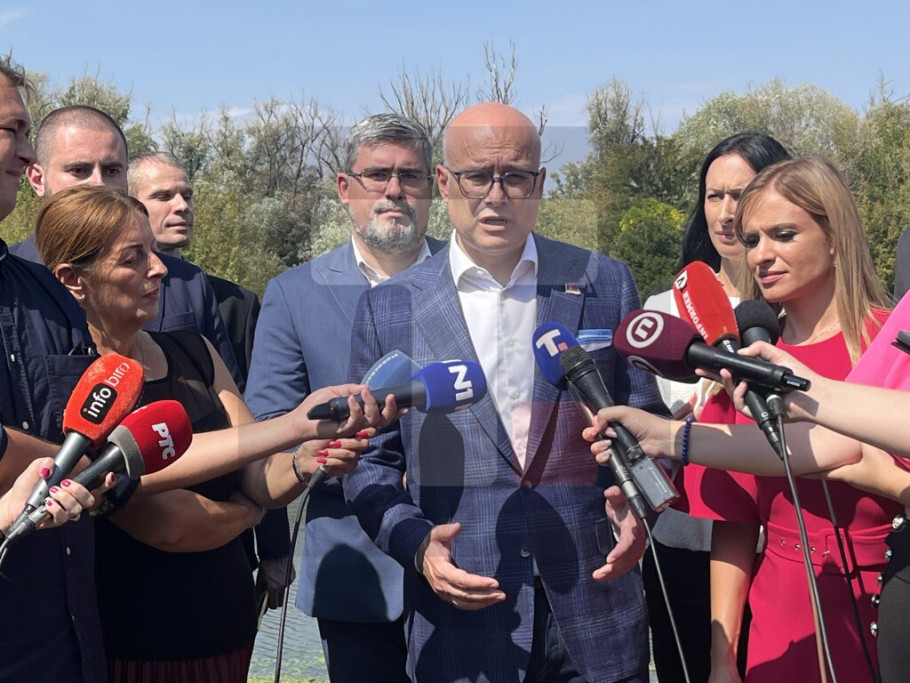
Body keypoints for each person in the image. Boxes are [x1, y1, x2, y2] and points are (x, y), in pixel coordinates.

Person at [343, 102, 667, 683]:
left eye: (514, 177)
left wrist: (639, 504)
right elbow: (369, 462)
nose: (496, 196)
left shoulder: (604, 281)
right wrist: (417, 544)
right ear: (444, 182)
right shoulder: (388, 306)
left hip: (597, 606)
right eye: (476, 177)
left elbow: (648, 422)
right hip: (463, 616)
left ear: (539, 184)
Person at [34, 183, 393, 682]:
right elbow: (171, 524)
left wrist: (302, 461)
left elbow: (259, 476)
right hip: (137, 645)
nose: (158, 269)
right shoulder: (83, 391)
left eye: (153, 251)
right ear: (75, 279)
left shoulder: (196, 351)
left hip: (227, 627)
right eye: (132, 259)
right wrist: (252, 506)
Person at [597, 157, 895, 682]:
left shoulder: (893, 345)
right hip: (780, 612)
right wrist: (722, 659)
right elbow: (734, 524)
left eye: (783, 234)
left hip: (888, 600)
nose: (761, 255)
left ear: (835, 237)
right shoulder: (741, 364)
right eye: (753, 240)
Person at [245, 113, 443, 682]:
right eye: (377, 174)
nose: (394, 190)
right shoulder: (293, 294)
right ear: (343, 187)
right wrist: (315, 454)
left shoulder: (474, 284)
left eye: (410, 176)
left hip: (470, 556)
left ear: (433, 187)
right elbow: (270, 426)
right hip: (355, 572)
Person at [643, 132, 789, 682]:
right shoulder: (664, 310)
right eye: (714, 195)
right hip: (683, 544)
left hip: (777, 549)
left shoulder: (800, 312)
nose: (726, 214)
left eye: (741, 194)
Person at [127, 151, 292, 612]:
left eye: (187, 194)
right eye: (163, 195)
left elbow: (249, 424)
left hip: (227, 537)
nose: (181, 205)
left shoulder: (234, 303)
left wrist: (273, 545)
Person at [0, 57, 109, 683]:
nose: (24, 153)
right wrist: (66, 468)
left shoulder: (51, 295)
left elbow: (107, 454)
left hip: (67, 650)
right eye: (10, 130)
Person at [14, 104, 245, 389]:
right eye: (79, 170)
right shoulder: (10, 285)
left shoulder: (186, 284)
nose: (98, 184)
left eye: (111, 170)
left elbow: (226, 397)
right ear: (37, 179)